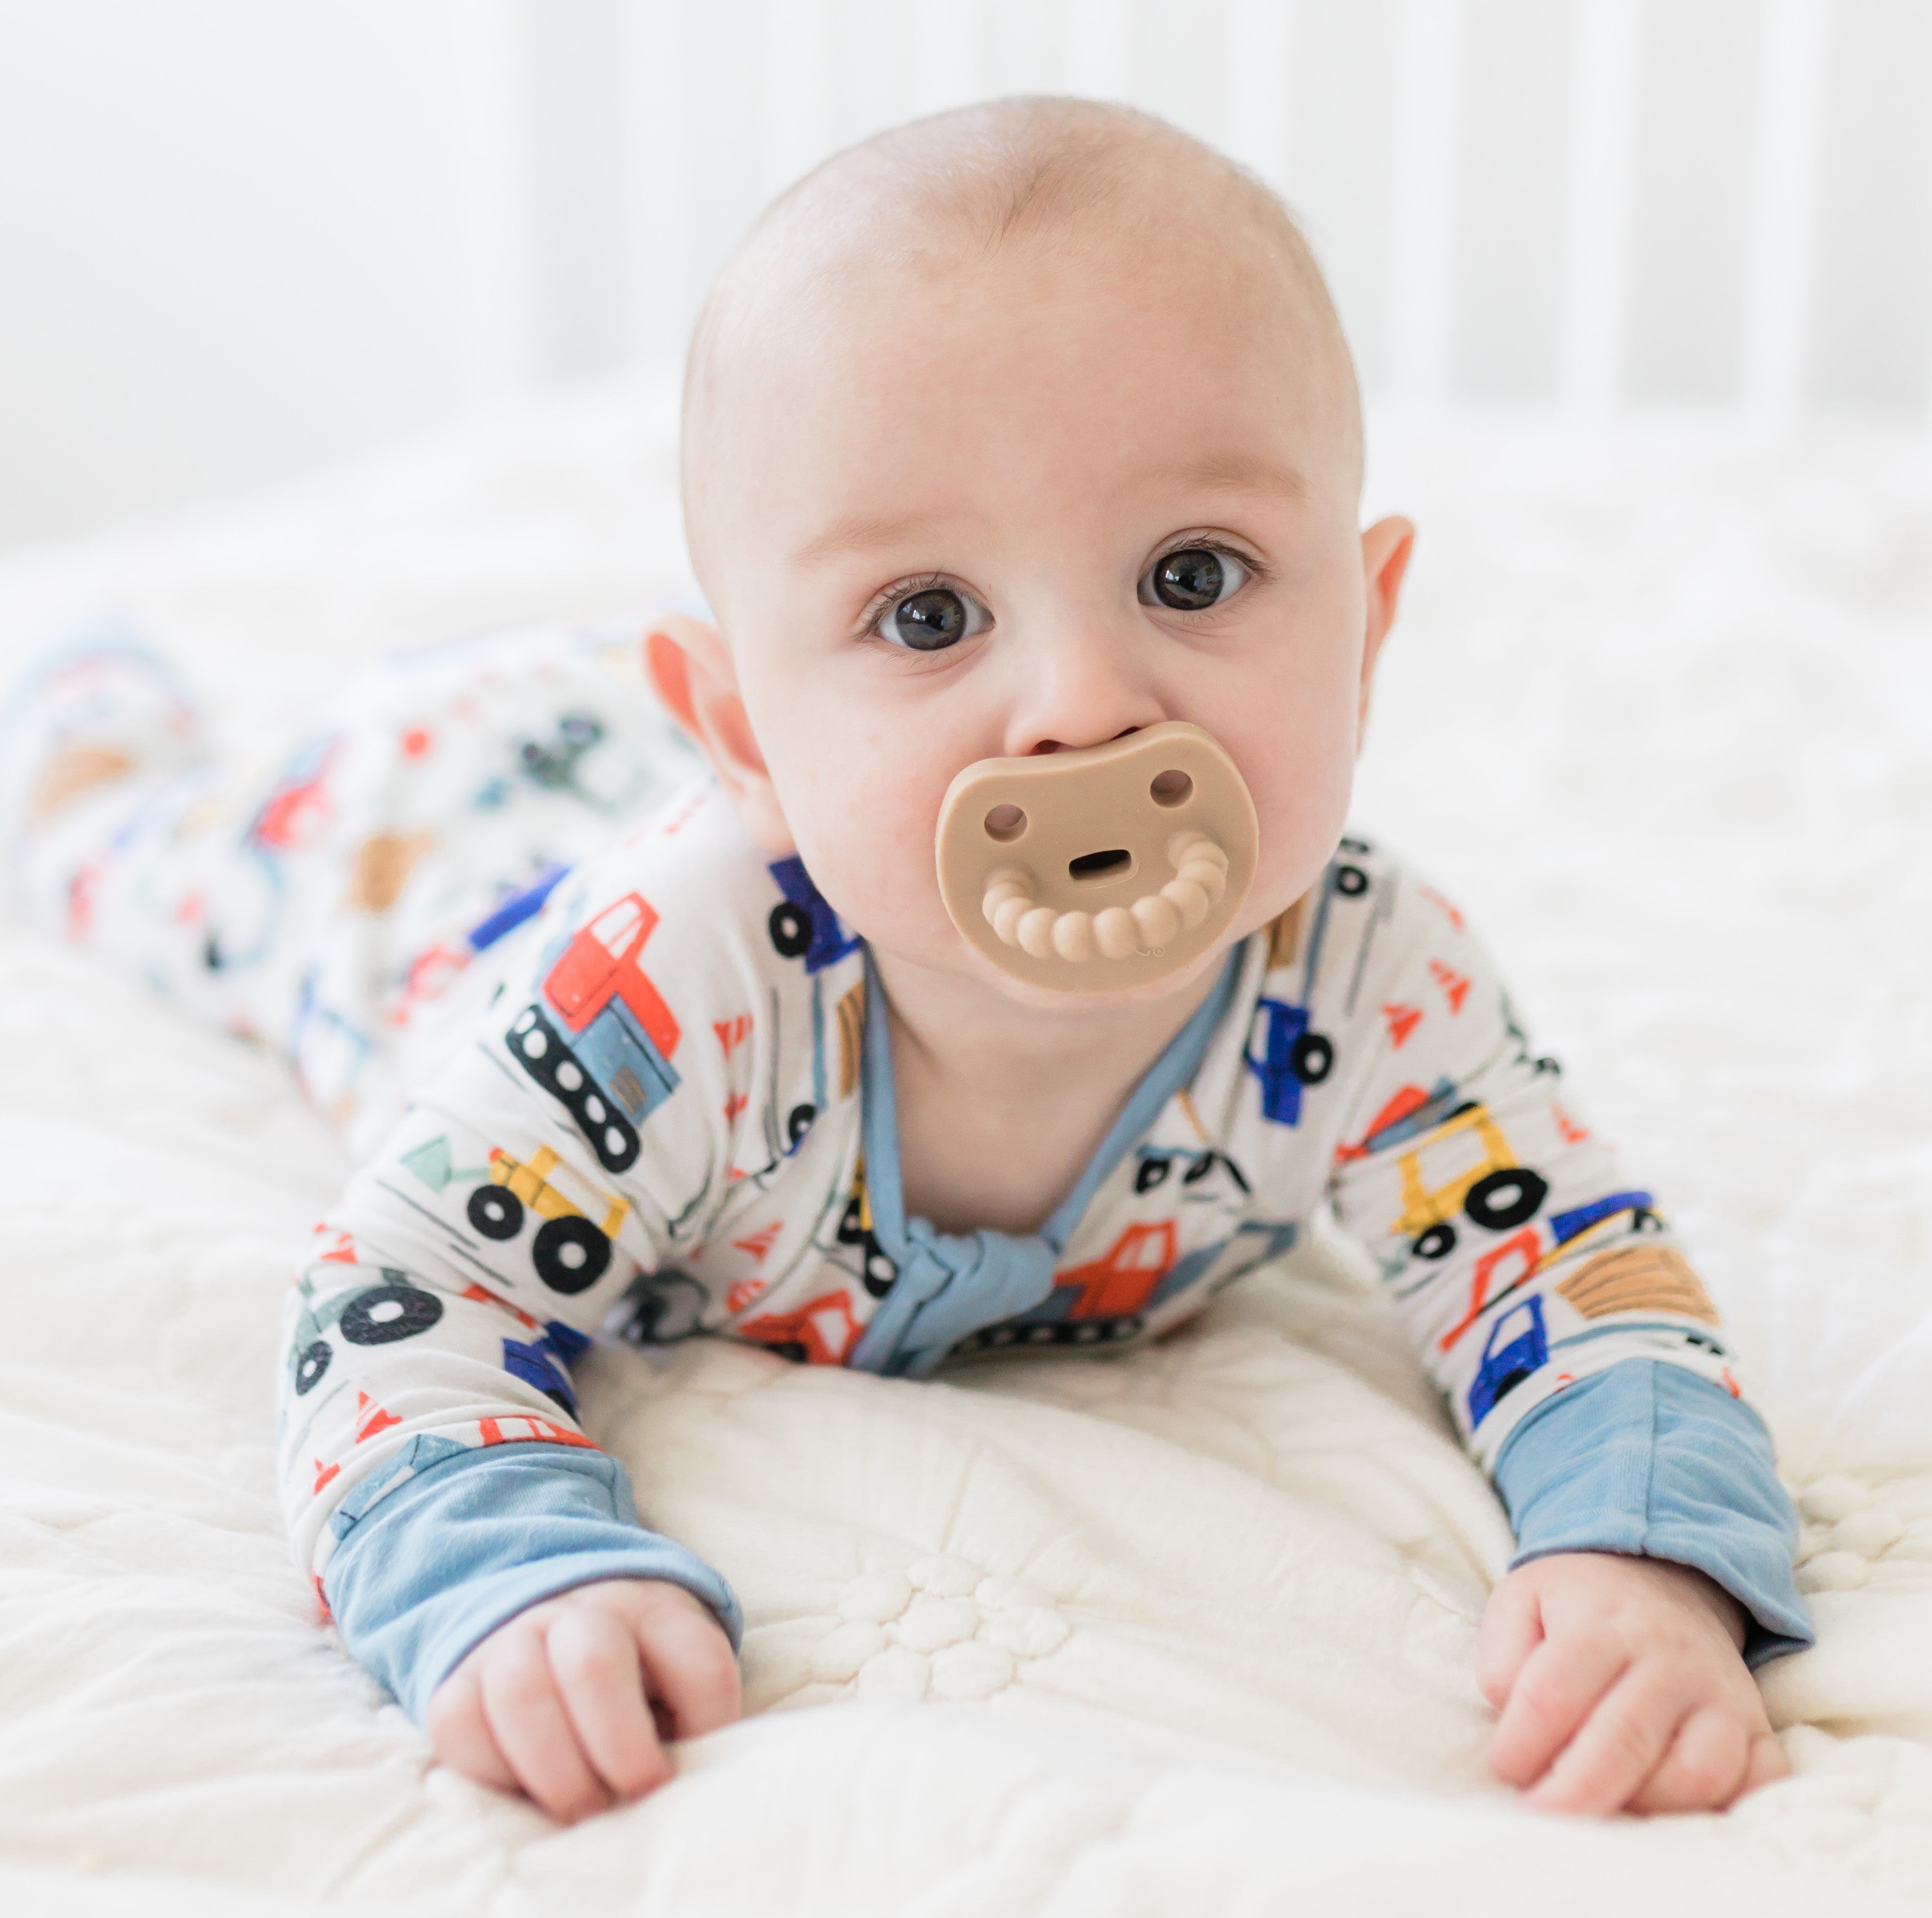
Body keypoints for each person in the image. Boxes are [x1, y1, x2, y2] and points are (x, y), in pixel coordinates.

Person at [1, 98, 1810, 1827]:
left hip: (688, 757)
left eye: (1193, 575)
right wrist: (497, 1568)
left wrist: (1642, 1547)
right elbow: (406, 1287)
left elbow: (1564, 1260)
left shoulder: (1358, 969)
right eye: (927, 615)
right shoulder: (676, 988)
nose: (1083, 707)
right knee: (135, 867)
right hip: (424, 851)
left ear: (1368, 627)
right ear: (747, 731)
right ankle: (90, 716)